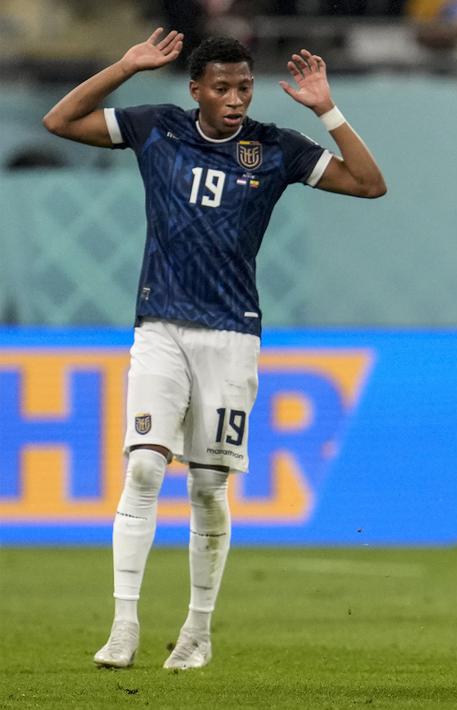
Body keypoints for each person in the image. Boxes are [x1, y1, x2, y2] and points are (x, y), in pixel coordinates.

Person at [42, 29, 386, 669]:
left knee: (206, 486)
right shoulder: (158, 128)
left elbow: (369, 184)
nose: (234, 98)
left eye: (244, 87)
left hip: (231, 335)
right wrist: (125, 64)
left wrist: (326, 111)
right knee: (144, 468)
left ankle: (197, 631)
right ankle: (124, 626)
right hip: (160, 326)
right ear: (195, 90)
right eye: (222, 88)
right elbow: (60, 120)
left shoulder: (276, 148)